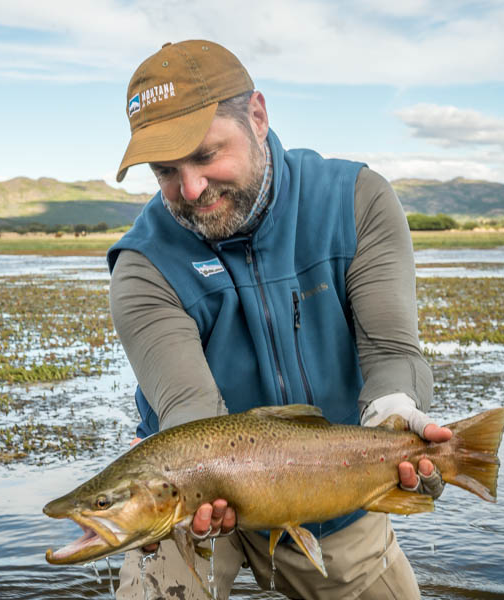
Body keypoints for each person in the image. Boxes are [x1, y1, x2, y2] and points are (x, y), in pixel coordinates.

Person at [106, 40, 451, 600]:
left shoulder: (357, 201)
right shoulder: (142, 267)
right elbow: (192, 419)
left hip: (333, 488)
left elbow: (391, 354)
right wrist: (190, 479)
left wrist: (396, 415)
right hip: (190, 503)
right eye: (166, 170)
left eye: (205, 154)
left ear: (258, 117)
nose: (191, 189)